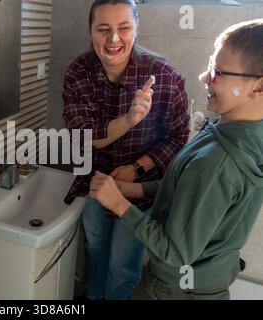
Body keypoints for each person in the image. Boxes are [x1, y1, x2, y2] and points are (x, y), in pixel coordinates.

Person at [89, 19, 263, 300]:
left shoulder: (218, 163)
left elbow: (175, 253)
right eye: (210, 66)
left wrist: (118, 204)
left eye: (217, 72)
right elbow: (186, 187)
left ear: (258, 88)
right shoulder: (232, 130)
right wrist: (135, 190)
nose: (204, 78)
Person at [62, 0, 190, 299]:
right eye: (103, 29)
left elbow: (178, 137)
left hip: (139, 192)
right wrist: (130, 119)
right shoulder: (79, 72)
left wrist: (137, 169)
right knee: (95, 250)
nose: (113, 39)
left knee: (123, 265)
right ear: (90, 30)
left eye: (123, 28)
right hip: (94, 182)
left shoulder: (165, 76)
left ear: (136, 28)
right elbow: (86, 136)